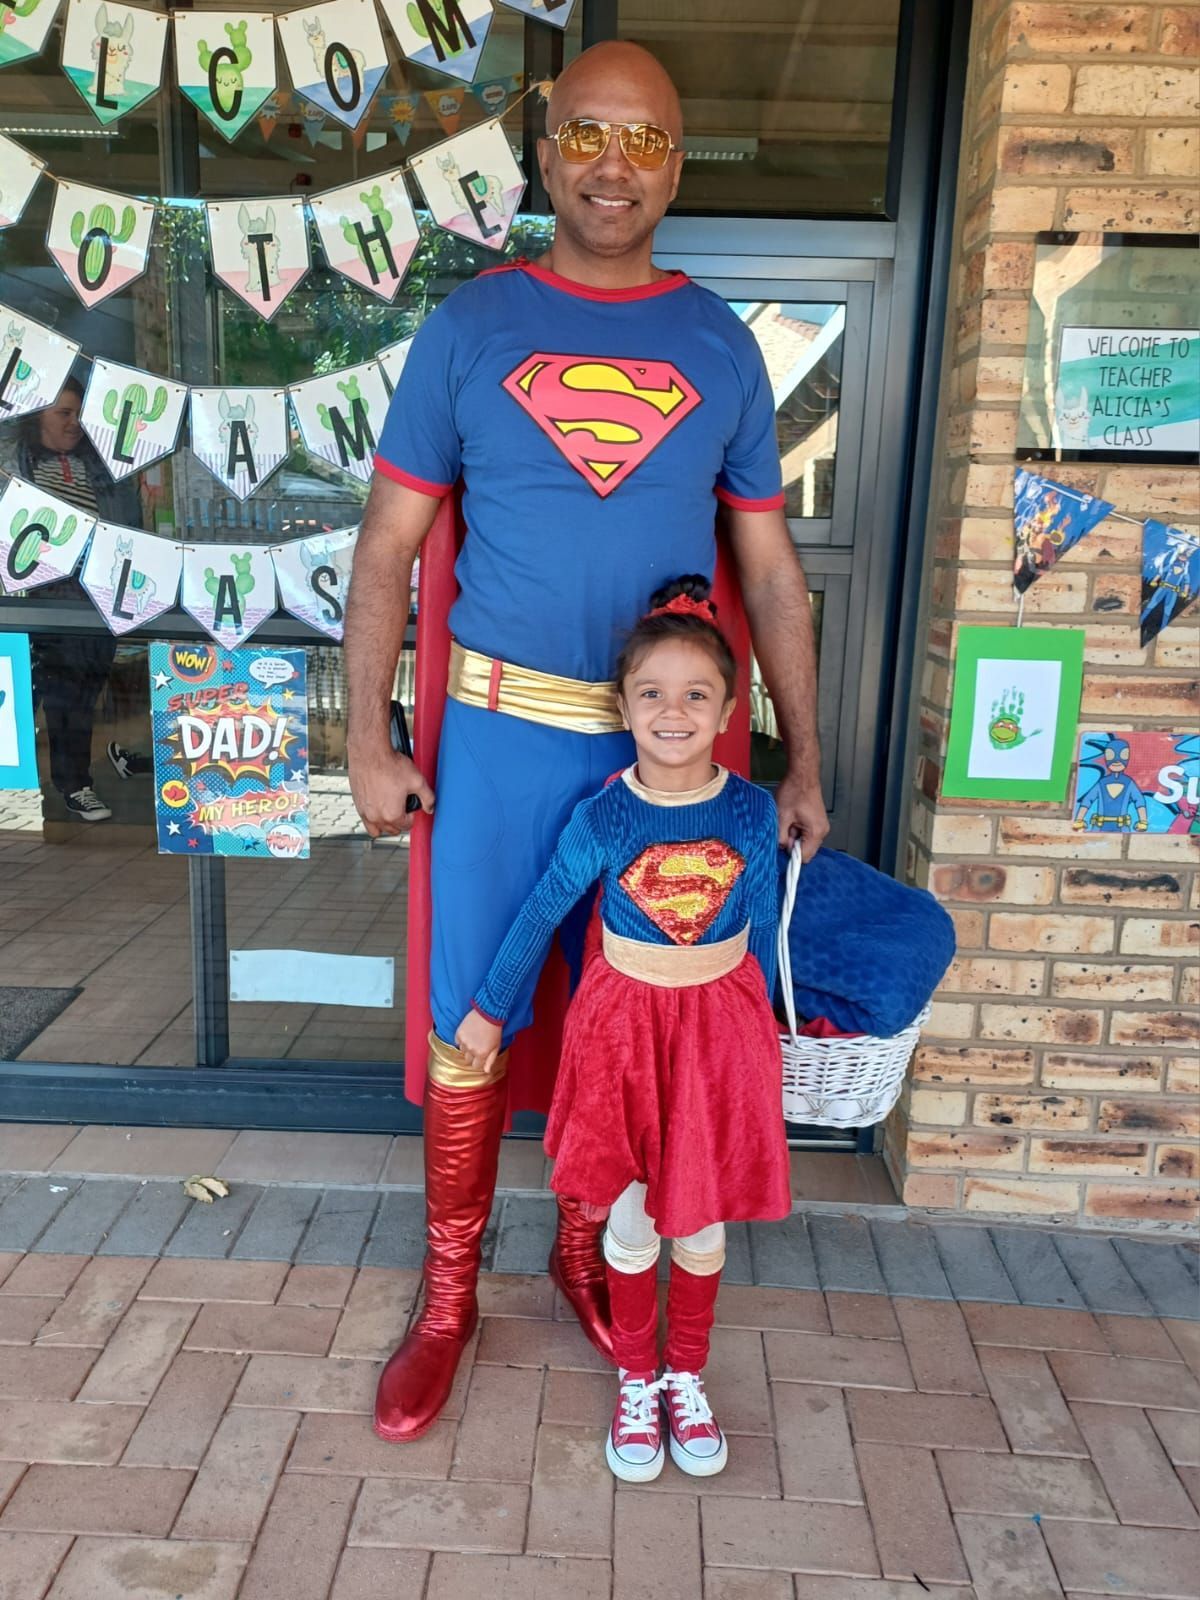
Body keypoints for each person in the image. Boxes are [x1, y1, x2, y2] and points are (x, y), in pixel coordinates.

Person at [345, 40, 827, 1444]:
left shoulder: (720, 344)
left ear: (677, 167)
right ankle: (449, 1296)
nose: (616, 165)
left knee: (631, 1023)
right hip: (498, 747)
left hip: (667, 767)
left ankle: (581, 1248)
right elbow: (387, 548)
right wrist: (369, 735)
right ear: (546, 152)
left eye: (648, 141)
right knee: (471, 1019)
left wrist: (799, 757)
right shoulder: (471, 327)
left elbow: (771, 572)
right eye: (590, 135)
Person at [456, 577, 790, 1481]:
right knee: (637, 1212)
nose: (673, 712)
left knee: (703, 1221)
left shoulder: (751, 813)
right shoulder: (604, 816)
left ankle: (687, 1375)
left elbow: (763, 925)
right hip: (624, 1039)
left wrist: (767, 1035)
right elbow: (540, 912)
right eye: (653, 693)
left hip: (717, 1038)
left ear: (729, 710)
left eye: (696, 694)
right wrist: (490, 1008)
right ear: (624, 707)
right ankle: (638, 1376)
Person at [7, 376, 143, 820]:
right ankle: (62, 784)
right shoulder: (14, 466)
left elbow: (130, 532)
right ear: (36, 417)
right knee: (40, 696)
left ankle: (73, 783)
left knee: (80, 695)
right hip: (36, 597)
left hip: (94, 596)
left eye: (80, 414)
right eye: (63, 413)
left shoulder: (102, 469)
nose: (75, 423)